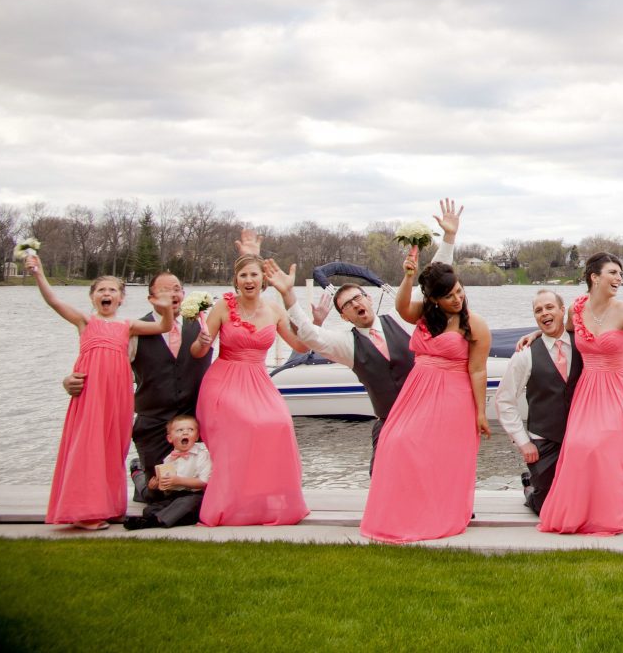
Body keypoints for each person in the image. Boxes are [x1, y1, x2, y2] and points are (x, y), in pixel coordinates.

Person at [282, 199, 461, 463]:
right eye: (348, 304)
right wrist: (288, 296)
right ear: (344, 316)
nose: (356, 304)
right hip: (390, 424)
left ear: (368, 298)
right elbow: (310, 336)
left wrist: (448, 237)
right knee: (384, 481)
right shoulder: (346, 345)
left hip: (428, 416)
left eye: (359, 297)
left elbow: (432, 285)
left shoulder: (401, 319)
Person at [27, 258, 173, 529]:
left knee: (112, 448)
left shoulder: (127, 326)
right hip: (91, 393)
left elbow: (164, 327)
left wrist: (165, 310)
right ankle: (84, 512)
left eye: (112, 290)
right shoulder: (85, 322)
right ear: (92, 297)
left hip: (117, 394)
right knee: (88, 446)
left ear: (121, 298)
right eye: (101, 291)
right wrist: (39, 274)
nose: (106, 294)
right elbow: (54, 301)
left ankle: (108, 506)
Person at [537, 252, 623, 536]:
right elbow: (559, 333)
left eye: (620, 274)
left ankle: (610, 519)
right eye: (613, 272)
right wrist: (534, 336)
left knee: (610, 454)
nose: (619, 278)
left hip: (620, 389)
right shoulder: (576, 310)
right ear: (594, 277)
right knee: (579, 448)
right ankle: (579, 515)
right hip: (588, 389)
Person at [358, 250, 491, 543]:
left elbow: (479, 371)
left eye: (459, 291)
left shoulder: (475, 324)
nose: (457, 299)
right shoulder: (422, 314)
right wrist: (407, 276)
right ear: (433, 300)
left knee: (439, 456)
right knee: (397, 443)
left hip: (453, 394)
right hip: (418, 390)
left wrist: (481, 412)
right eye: (449, 296)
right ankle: (405, 512)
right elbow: (402, 306)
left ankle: (440, 513)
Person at [62, 270, 213, 502]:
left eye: (176, 289)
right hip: (153, 423)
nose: (172, 294)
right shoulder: (134, 329)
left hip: (194, 422)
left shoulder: (203, 325)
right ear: (151, 298)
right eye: (164, 290)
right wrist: (70, 380)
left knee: (203, 491)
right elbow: (105, 367)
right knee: (158, 494)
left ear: (183, 294)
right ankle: (139, 473)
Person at [192, 235, 310, 526]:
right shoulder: (223, 306)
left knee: (279, 423)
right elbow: (198, 352)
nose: (248, 280)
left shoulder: (274, 309)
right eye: (243, 275)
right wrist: (202, 340)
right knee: (248, 424)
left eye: (254, 275)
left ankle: (264, 500)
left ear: (263, 280)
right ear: (236, 280)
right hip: (225, 379)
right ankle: (229, 503)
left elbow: (300, 347)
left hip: (257, 379)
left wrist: (312, 324)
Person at [495, 290, 581, 514]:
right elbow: (504, 400)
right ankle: (530, 488)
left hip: (581, 438)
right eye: (538, 310)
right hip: (544, 441)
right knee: (548, 510)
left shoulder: (582, 344)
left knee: (580, 505)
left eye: (550, 307)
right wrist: (523, 442)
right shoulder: (525, 354)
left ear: (563, 311)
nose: (544, 313)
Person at [123, 415, 210, 530]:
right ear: (170, 438)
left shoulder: (202, 456)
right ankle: (169, 518)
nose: (185, 433)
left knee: (188, 503)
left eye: (190, 430)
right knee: (150, 509)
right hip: (174, 496)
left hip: (194, 495)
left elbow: (204, 482)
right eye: (180, 430)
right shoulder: (169, 458)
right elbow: (167, 485)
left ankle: (153, 521)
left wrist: (179, 481)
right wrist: (155, 485)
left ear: (197, 436)